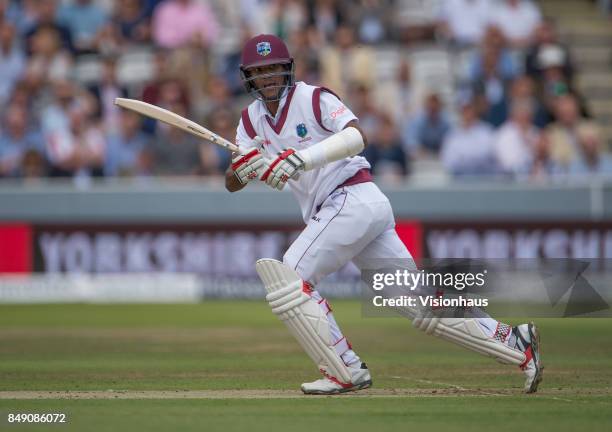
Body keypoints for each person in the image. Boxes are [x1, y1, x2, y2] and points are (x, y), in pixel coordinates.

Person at [226, 34, 543, 395]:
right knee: (420, 306)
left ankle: (344, 369)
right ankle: (515, 340)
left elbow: (357, 136)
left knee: (289, 275)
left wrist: (301, 159)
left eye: (273, 68)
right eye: (259, 71)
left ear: (287, 69)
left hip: (350, 197)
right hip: (352, 209)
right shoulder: (250, 121)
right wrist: (247, 168)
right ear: (248, 77)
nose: (267, 76)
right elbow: (231, 181)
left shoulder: (313, 98)